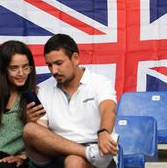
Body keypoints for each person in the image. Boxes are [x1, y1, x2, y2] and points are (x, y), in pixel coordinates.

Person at [22, 34, 118, 168]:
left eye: (59, 63)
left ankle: (90, 153)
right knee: (29, 128)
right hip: (57, 150)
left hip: (95, 149)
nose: (54, 71)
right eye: (49, 65)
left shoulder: (100, 82)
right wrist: (33, 122)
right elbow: (41, 129)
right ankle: (88, 153)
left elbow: (108, 109)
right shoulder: (43, 89)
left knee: (74, 161)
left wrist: (104, 131)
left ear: (75, 58)